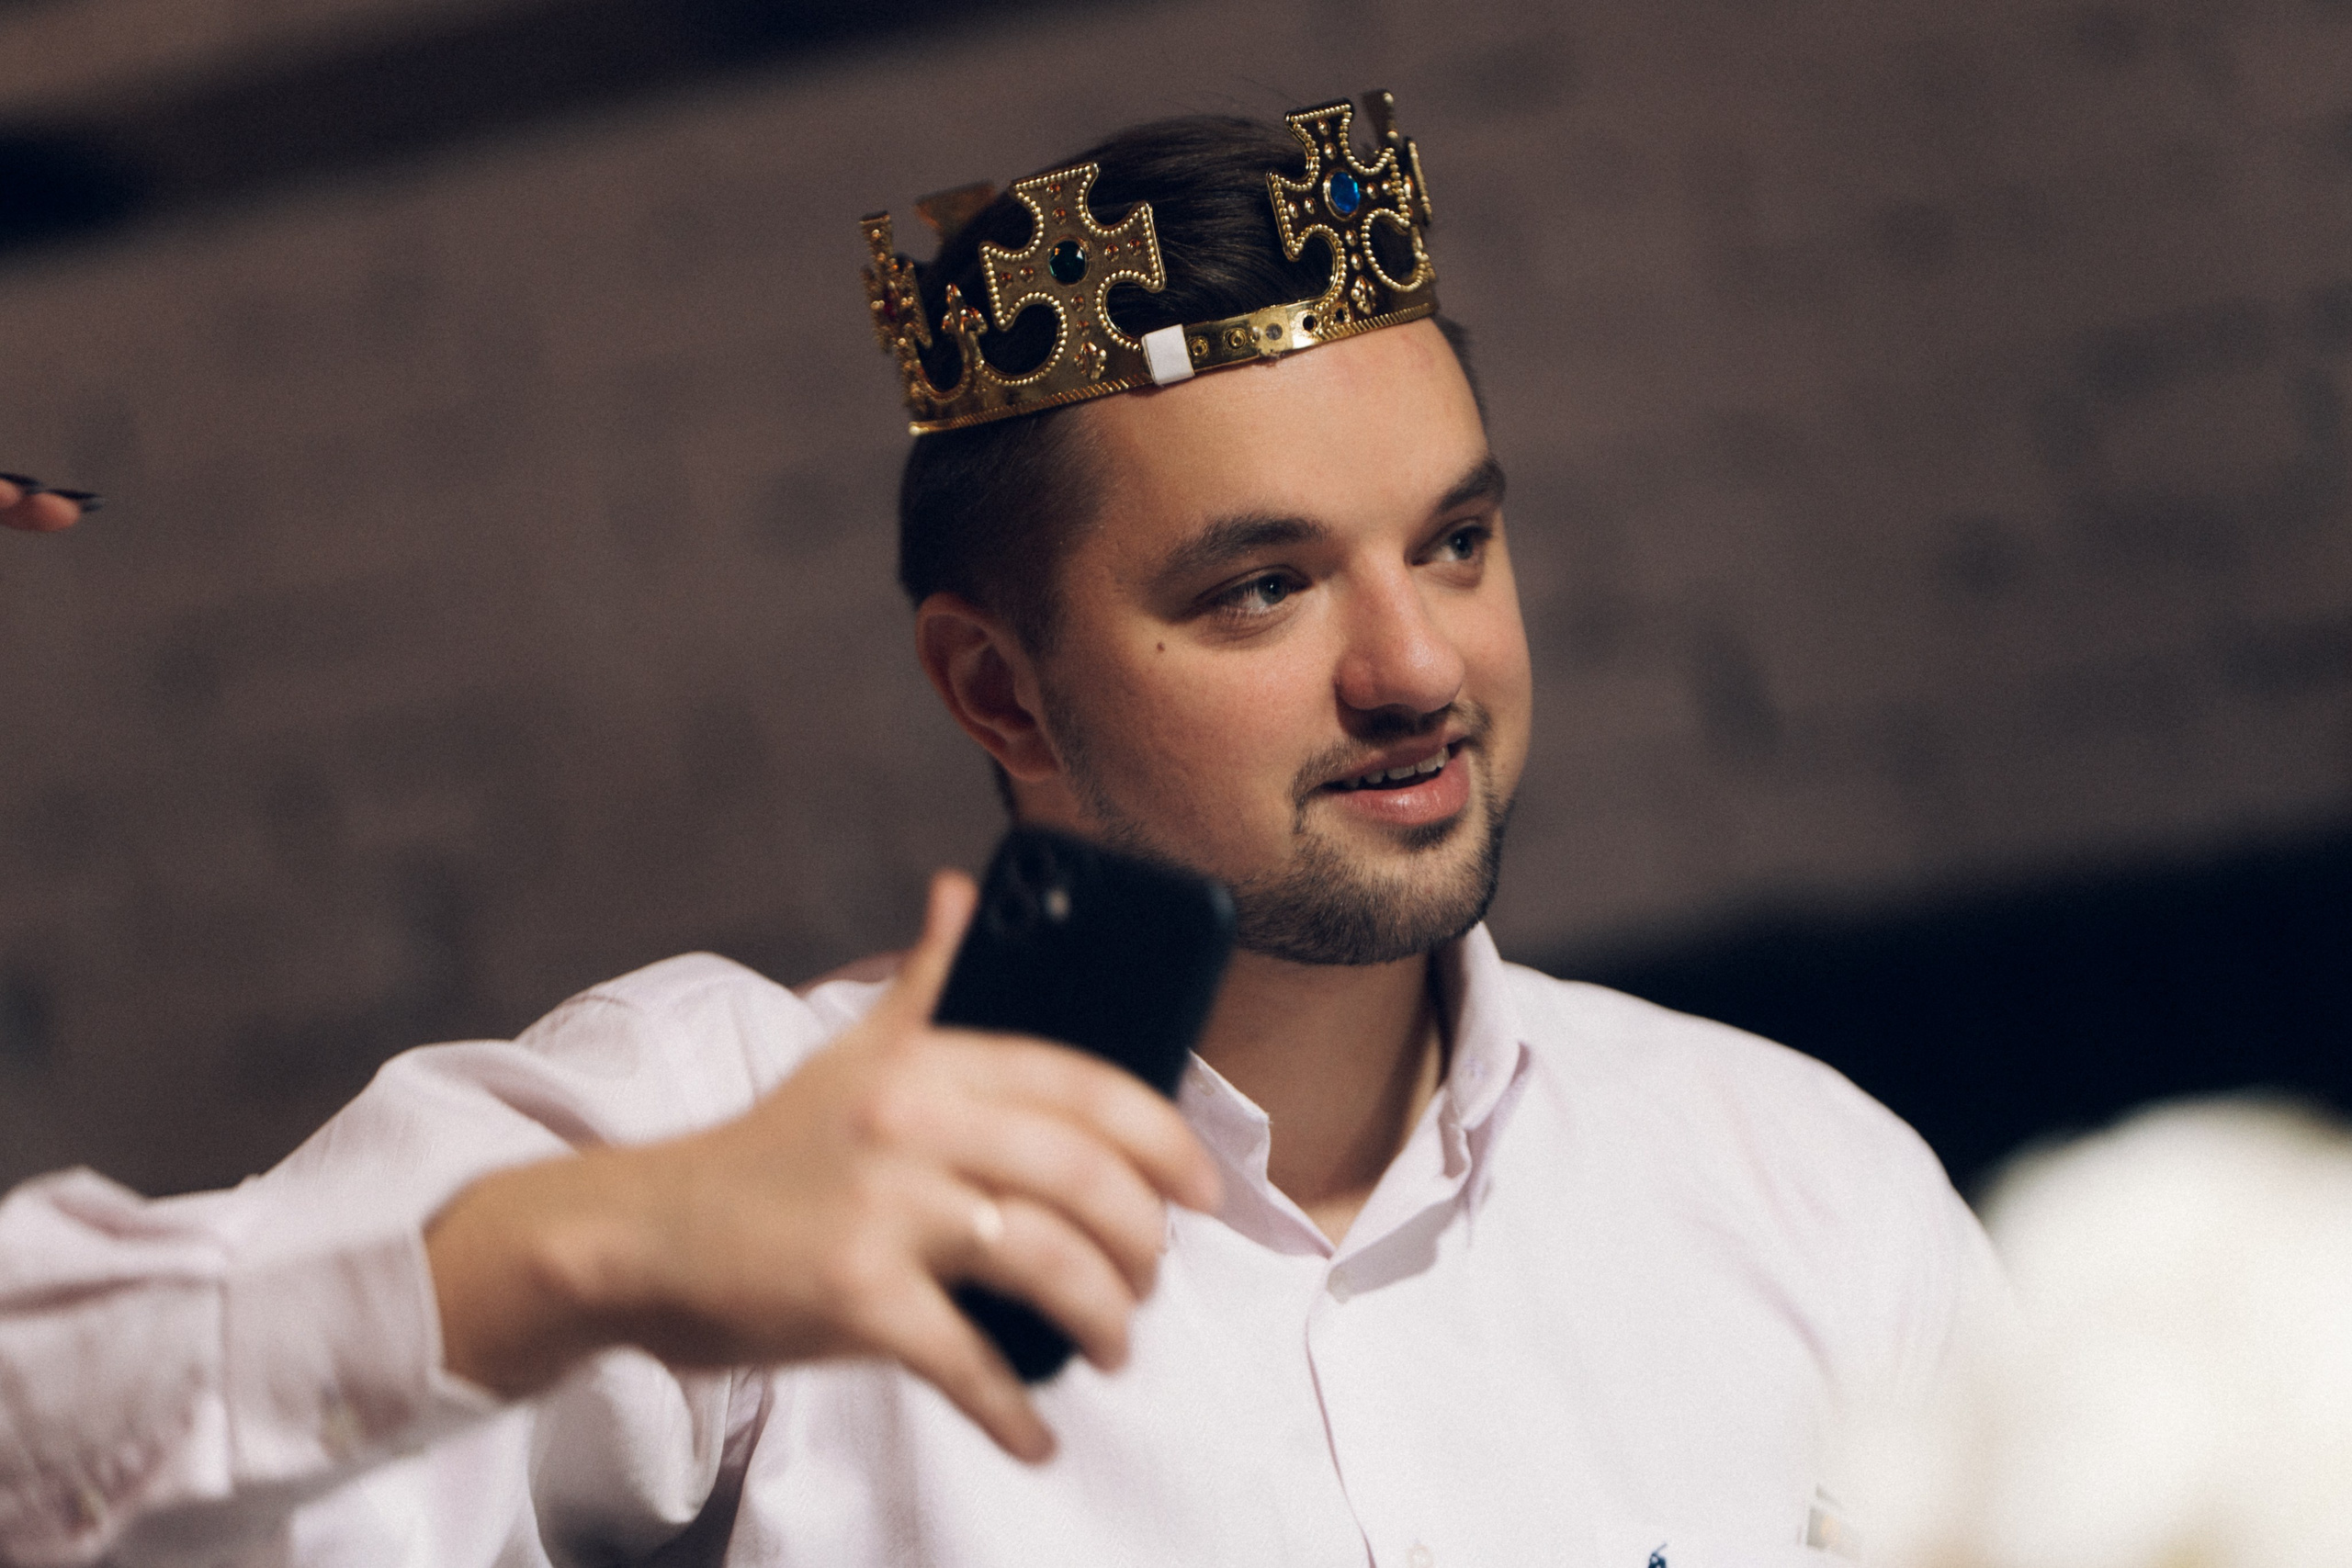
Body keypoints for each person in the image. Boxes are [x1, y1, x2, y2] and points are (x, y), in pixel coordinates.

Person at [0, 96, 2000, 1567]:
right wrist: (586, 1255)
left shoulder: (1798, 1182)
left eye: (1454, 542)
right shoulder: (735, 1126)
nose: (1415, 665)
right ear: (996, 692)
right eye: (1259, 588)